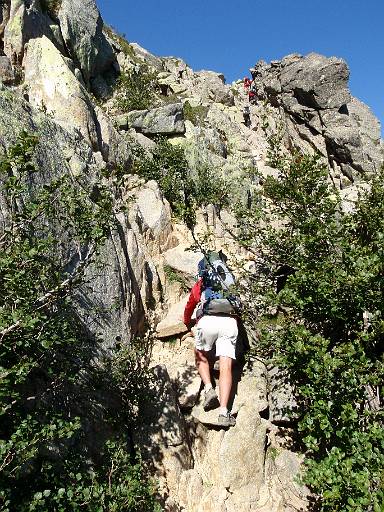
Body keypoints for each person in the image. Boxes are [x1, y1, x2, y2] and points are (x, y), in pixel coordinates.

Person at [183, 254, 239, 427]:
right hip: (229, 322)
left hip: (206, 322)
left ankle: (208, 388)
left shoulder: (202, 283)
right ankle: (224, 413)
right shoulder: (229, 281)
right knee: (226, 366)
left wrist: (188, 322)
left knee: (201, 355)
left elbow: (190, 304)